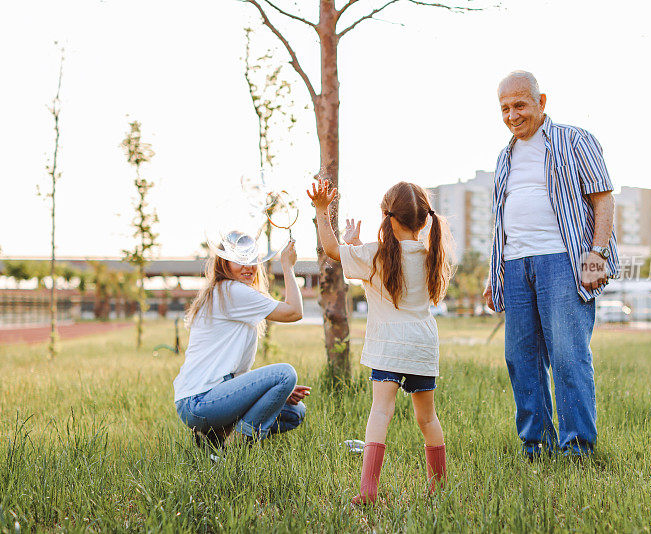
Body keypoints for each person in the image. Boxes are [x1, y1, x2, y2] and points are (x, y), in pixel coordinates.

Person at [483, 71, 619, 458]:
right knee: (520, 356)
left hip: (563, 259)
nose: (512, 115)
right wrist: (496, 274)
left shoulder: (574, 140)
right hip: (514, 264)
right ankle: (535, 444)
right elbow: (500, 220)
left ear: (542, 102)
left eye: (520, 105)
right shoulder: (504, 156)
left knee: (567, 354)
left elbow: (603, 199)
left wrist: (597, 253)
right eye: (505, 108)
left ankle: (577, 447)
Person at [307, 180, 453, 504]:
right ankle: (438, 490)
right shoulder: (432, 253)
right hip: (422, 347)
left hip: (389, 347)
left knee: (381, 413)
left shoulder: (376, 254)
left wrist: (321, 210)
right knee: (427, 418)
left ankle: (368, 491)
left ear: (387, 216)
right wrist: (358, 245)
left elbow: (333, 251)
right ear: (423, 220)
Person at [173, 231, 310, 452]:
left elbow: (236, 374)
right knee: (285, 374)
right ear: (224, 263)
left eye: (252, 260)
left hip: (210, 399)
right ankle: (231, 451)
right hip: (200, 401)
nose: (247, 267)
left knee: (295, 412)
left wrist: (275, 392)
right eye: (238, 261)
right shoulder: (231, 290)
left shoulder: (233, 292)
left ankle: (213, 438)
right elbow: (294, 312)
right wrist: (288, 267)